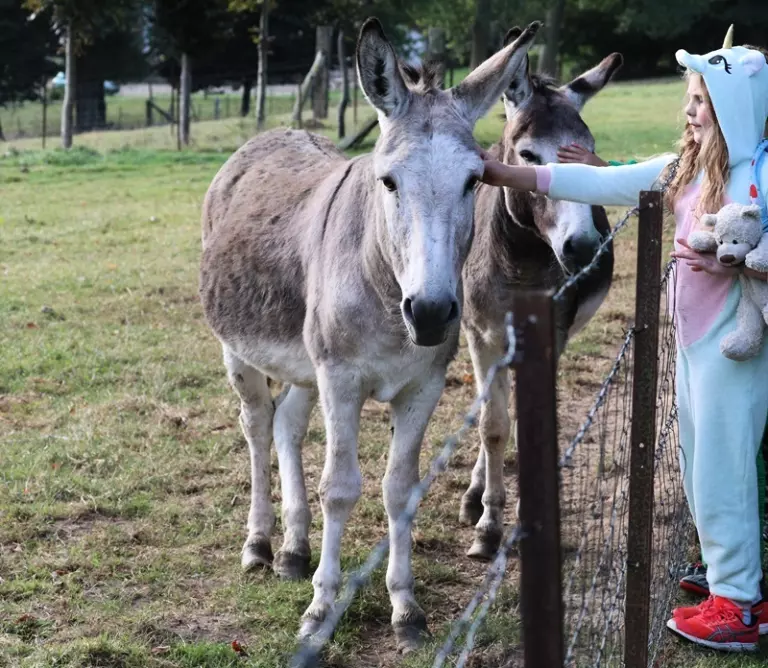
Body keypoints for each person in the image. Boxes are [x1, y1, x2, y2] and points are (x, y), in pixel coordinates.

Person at [479, 28, 768, 651]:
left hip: (736, 349)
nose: (688, 111)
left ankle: (740, 605)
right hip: (696, 344)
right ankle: (724, 572)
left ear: (734, 109)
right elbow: (606, 185)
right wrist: (500, 171)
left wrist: (736, 259)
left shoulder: (756, 178)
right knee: (697, 460)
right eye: (689, 100)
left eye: (700, 101)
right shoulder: (690, 169)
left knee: (724, 469)